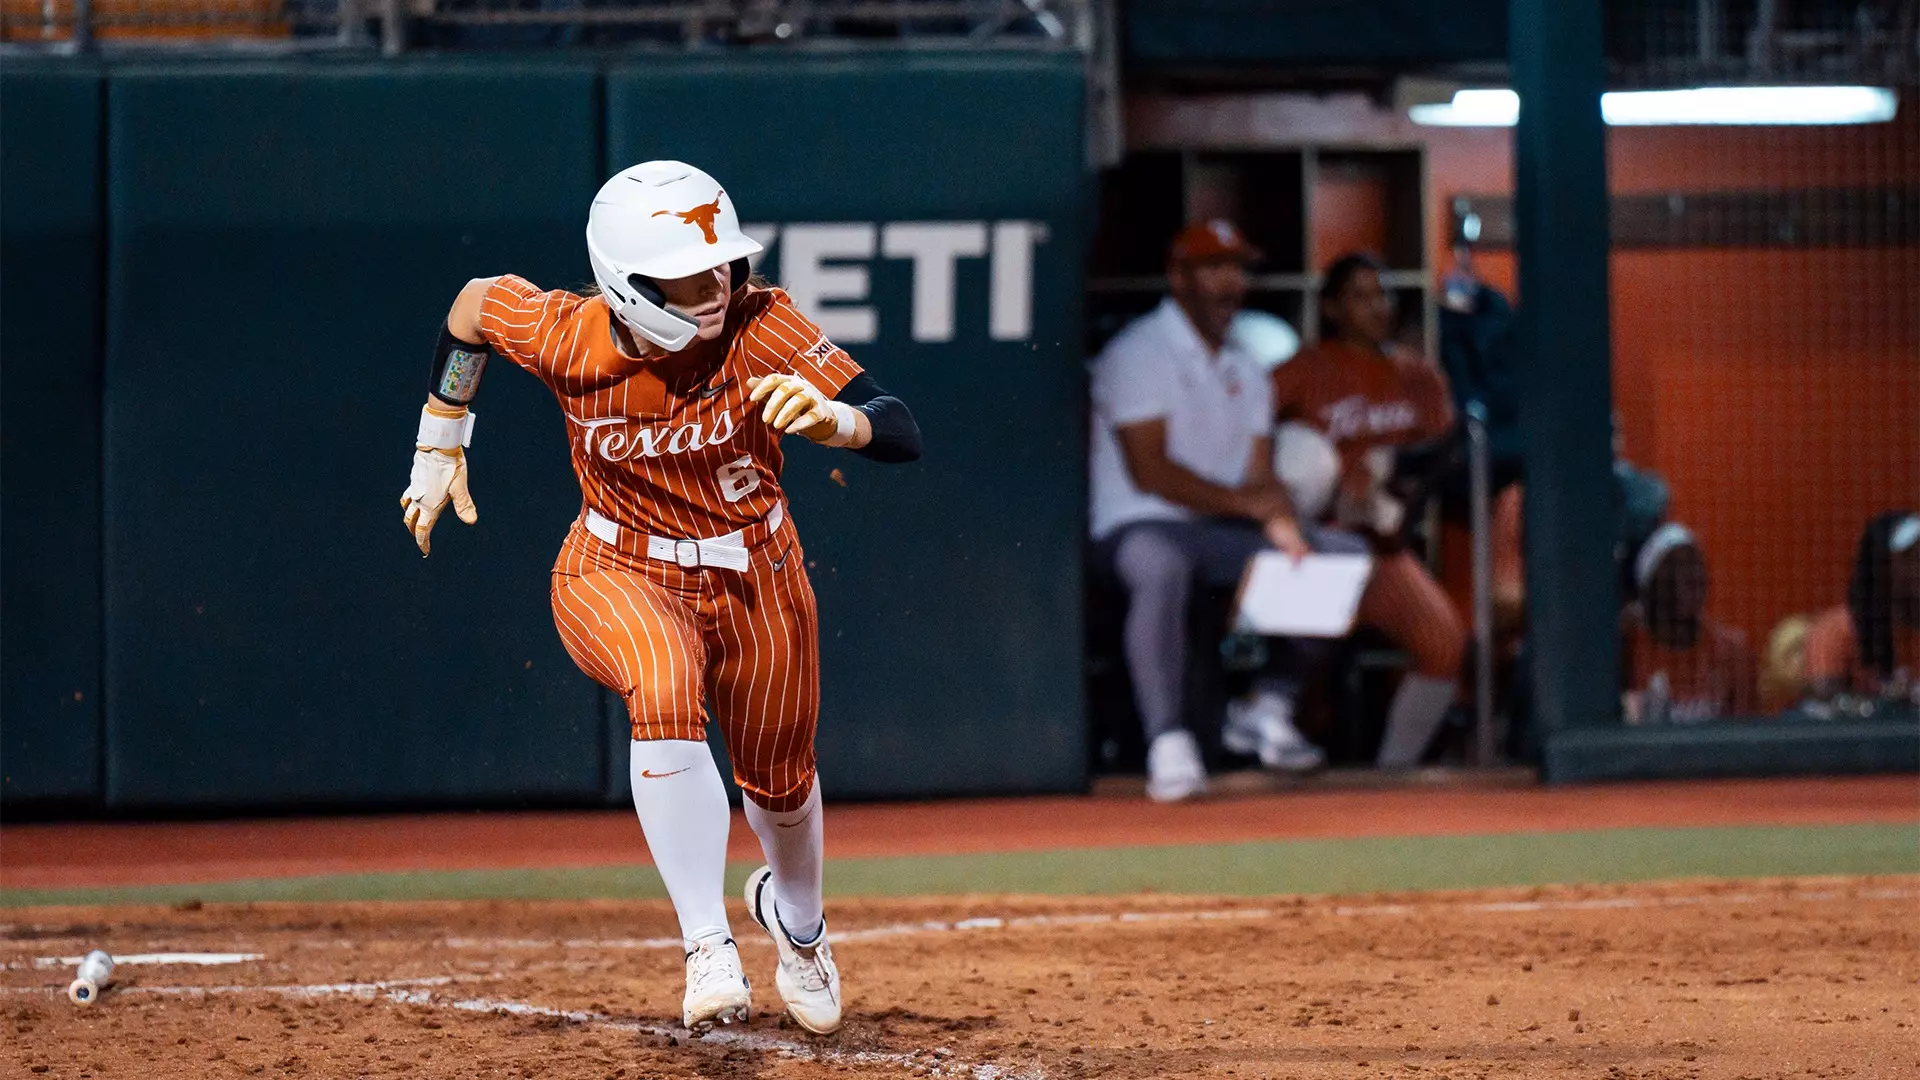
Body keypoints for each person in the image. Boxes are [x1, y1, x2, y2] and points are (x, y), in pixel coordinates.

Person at [396, 161, 922, 1036]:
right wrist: (439, 438)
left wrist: (841, 425)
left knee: (781, 780)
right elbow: (472, 307)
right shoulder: (570, 334)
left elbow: (899, 427)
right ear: (627, 282)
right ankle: (706, 941)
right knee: (665, 682)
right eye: (689, 267)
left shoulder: (762, 325)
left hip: (758, 572)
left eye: (722, 260)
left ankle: (799, 927)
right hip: (617, 568)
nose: (717, 281)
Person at [1089, 220, 1343, 803]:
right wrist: (1253, 509)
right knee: (1160, 564)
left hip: (1218, 531)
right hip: (1136, 526)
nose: (1230, 283)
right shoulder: (1140, 351)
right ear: (1179, 278)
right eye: (1213, 268)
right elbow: (1149, 470)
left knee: (1333, 556)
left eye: (1237, 269)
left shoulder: (1247, 368)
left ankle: (1266, 709)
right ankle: (1168, 745)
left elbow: (1258, 473)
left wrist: (1278, 518)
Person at [1270, 253, 1467, 768]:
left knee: (1445, 644)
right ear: (1332, 307)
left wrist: (1393, 472)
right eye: (1360, 295)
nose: (1378, 306)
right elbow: (1247, 441)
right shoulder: (1304, 369)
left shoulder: (1417, 375)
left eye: (1382, 293)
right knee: (1297, 679)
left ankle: (1392, 774)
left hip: (1381, 544)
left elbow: (1445, 456)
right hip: (1312, 542)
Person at [1619, 524, 1757, 723]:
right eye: (1674, 567)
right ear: (1651, 586)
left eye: (1695, 564)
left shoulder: (1733, 653)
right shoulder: (1627, 649)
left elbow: (1746, 736)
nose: (1691, 576)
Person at [1803, 511, 1920, 710]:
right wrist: (1887, 701)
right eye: (1911, 556)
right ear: (1881, 563)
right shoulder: (1836, 631)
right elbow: (1825, 697)